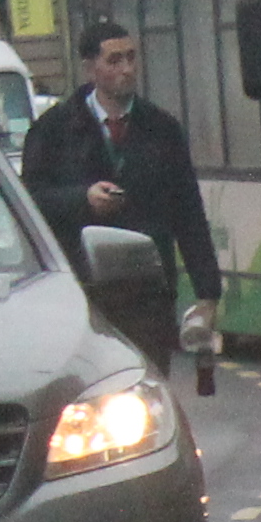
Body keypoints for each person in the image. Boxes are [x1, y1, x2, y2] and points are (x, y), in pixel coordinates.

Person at [21, 22, 222, 343]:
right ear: (90, 69)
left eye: (131, 58)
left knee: (149, 385)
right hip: (84, 291)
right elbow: (30, 202)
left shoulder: (162, 129)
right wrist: (83, 199)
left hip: (149, 291)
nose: (127, 69)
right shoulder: (54, 130)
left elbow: (189, 213)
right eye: (114, 61)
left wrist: (208, 293)